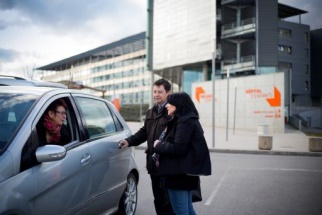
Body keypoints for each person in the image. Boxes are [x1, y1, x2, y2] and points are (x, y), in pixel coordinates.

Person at [118, 78, 174, 215]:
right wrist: (129, 141)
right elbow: (144, 132)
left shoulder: (172, 112)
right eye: (154, 91)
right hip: (153, 163)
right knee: (158, 199)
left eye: (160, 92)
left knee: (170, 200)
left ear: (168, 92)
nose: (156, 94)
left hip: (168, 164)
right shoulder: (151, 111)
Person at [153, 92, 212, 215]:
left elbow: (178, 148)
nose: (167, 106)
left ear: (178, 105)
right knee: (187, 209)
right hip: (183, 173)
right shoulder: (187, 119)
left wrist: (158, 145)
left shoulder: (184, 121)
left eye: (170, 103)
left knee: (181, 211)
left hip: (177, 174)